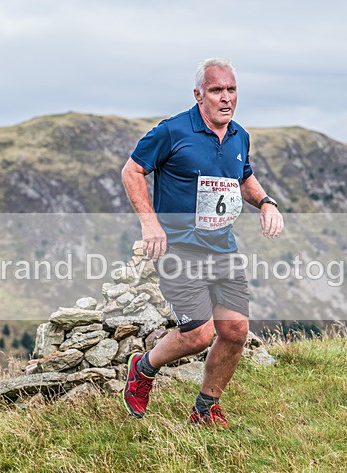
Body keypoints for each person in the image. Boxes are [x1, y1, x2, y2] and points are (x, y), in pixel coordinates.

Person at [120, 58, 283, 427]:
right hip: (179, 249)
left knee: (235, 331)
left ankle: (205, 409)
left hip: (223, 249)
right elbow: (132, 170)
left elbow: (243, 177)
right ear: (198, 95)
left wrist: (266, 202)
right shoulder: (172, 131)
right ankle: (142, 368)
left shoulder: (239, 135)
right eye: (216, 90)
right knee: (198, 334)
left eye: (231, 90)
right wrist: (150, 223)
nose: (226, 98)